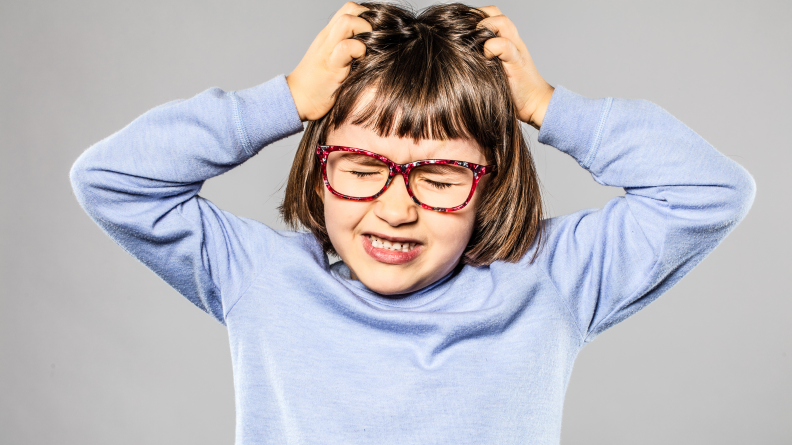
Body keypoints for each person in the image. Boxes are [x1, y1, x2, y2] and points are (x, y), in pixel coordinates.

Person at [69, 2, 755, 444]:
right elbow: (111, 178)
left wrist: (547, 105)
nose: (396, 208)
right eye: (363, 166)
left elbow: (710, 191)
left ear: (490, 182)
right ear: (317, 166)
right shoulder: (262, 276)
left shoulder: (550, 281)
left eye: (439, 176)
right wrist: (284, 101)